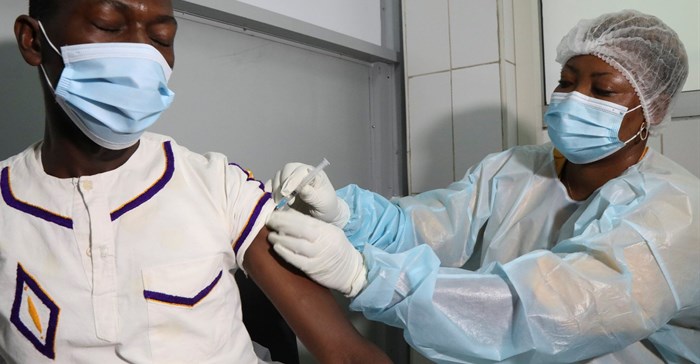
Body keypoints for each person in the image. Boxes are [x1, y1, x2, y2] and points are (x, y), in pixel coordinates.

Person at [266, 9, 699, 363]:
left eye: (602, 91)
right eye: (566, 83)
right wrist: (346, 215)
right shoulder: (514, 169)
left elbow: (560, 313)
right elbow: (432, 229)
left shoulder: (674, 213)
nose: (573, 100)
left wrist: (364, 276)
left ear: (653, 107)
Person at [0, 1, 393, 363]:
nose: (142, 55)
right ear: (33, 41)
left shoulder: (216, 185)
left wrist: (356, 272)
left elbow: (348, 354)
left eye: (160, 38)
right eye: (109, 25)